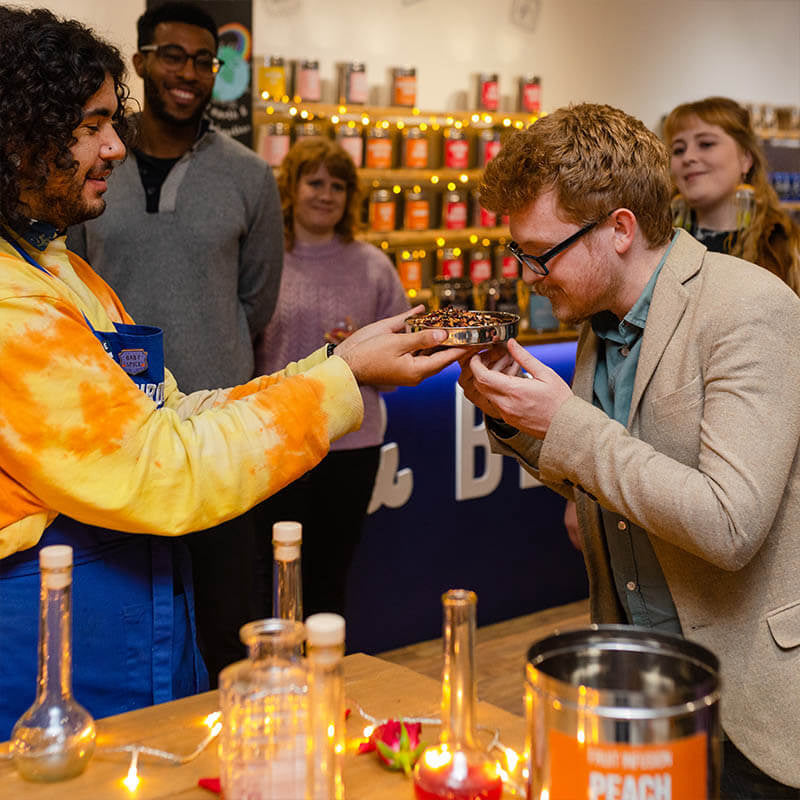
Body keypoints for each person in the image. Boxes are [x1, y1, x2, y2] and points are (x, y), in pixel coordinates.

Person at [0, 6, 464, 738]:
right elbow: (162, 468)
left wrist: (338, 365)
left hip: (133, 624)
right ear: (20, 138)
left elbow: (171, 413)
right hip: (58, 651)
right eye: (91, 126)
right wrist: (340, 382)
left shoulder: (62, 270)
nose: (114, 146)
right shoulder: (14, 305)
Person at [458, 102, 800, 796]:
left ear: (618, 229)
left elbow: (729, 524)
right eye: (520, 253)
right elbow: (615, 480)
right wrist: (515, 418)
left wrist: (566, 423)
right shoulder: (602, 320)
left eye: (542, 252)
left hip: (750, 709)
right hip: (640, 682)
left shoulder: (747, 308)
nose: (529, 274)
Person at [66, 2, 284, 685]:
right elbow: (68, 288)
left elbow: (257, 301)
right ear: (140, 61)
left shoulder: (250, 175)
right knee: (133, 631)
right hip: (117, 440)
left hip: (223, 441)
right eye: (172, 56)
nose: (189, 73)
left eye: (203, 61)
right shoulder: (90, 167)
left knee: (230, 627)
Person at [253, 137, 409, 619]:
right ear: (291, 188)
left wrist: (361, 356)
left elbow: (400, 362)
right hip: (275, 441)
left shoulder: (374, 266)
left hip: (351, 445)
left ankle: (325, 663)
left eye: (338, 186)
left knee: (329, 578)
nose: (326, 194)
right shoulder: (263, 260)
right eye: (315, 182)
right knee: (271, 576)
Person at [664, 96, 800, 290]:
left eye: (706, 144)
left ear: (746, 159)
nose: (688, 157)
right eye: (678, 150)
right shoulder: (658, 241)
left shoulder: (784, 245)